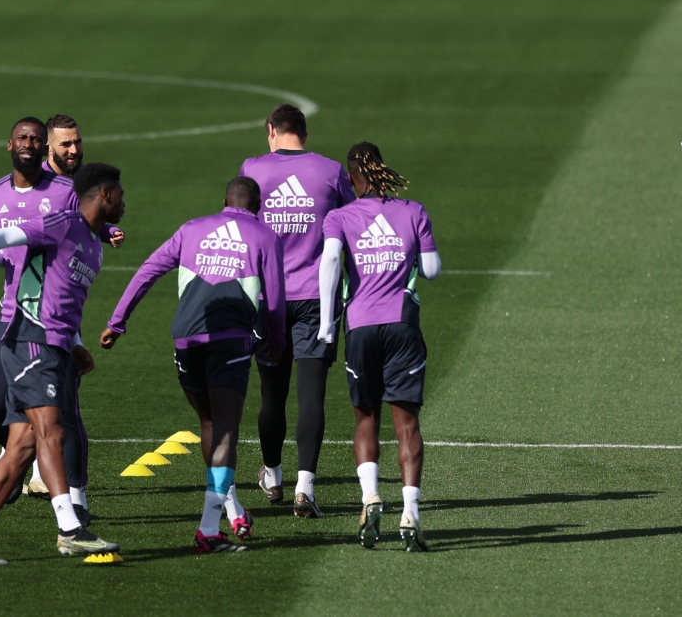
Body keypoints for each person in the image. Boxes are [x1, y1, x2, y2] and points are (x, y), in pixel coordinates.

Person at [0, 162, 126, 564]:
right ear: (104, 194)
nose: (125, 202)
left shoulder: (93, 246)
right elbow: (5, 235)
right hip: (31, 341)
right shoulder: (61, 223)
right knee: (52, 431)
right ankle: (70, 529)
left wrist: (76, 343)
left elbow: (62, 298)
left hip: (55, 344)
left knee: (21, 447)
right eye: (121, 194)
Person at [100, 177, 285, 554]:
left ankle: (231, 508)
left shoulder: (191, 229)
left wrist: (118, 321)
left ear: (223, 202)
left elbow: (148, 270)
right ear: (259, 206)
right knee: (227, 432)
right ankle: (208, 530)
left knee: (210, 424)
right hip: (229, 340)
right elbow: (276, 299)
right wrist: (276, 343)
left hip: (185, 339)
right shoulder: (264, 236)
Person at [0, 117, 120, 524]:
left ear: (44, 150)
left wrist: (107, 228)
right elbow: (6, 245)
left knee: (63, 412)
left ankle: (75, 504)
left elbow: (84, 223)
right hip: (11, 313)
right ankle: (24, 463)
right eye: (23, 138)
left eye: (36, 140)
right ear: (10, 144)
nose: (30, 144)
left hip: (54, 315)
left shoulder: (65, 192)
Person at [318, 142, 440, 552]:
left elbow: (331, 262)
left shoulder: (339, 216)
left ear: (352, 178)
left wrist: (325, 324)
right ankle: (411, 512)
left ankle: (370, 496)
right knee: (406, 424)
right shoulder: (413, 211)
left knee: (364, 417)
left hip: (361, 326)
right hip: (403, 325)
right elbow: (432, 270)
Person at [240, 103, 355, 517]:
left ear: (271, 130)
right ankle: (306, 487)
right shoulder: (329, 171)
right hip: (317, 300)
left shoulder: (253, 168)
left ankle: (272, 474)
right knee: (312, 394)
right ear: (304, 133)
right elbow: (352, 221)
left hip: (268, 298)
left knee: (271, 394)